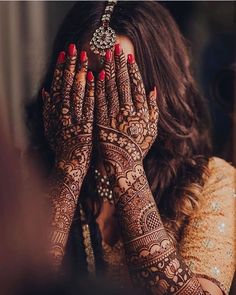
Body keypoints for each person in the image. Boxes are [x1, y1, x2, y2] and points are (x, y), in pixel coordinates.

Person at [26, 1, 235, 294]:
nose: (101, 101)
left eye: (119, 81)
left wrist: (126, 169)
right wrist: (69, 168)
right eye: (88, 79)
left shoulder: (213, 181)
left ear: (159, 88)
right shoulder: (24, 176)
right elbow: (19, 283)